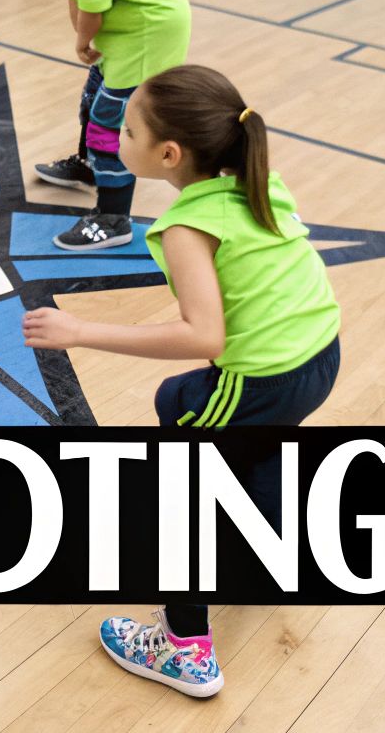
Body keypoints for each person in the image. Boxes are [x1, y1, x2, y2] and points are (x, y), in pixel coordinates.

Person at [23, 63, 341, 697]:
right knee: (186, 404)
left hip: (263, 378)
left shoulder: (186, 229)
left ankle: (185, 647)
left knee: (181, 493)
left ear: (167, 154)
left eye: (127, 127)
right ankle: (271, 545)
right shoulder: (257, 184)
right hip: (319, 356)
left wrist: (81, 331)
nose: (114, 133)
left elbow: (204, 337)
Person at [22, 0, 191, 250]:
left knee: (110, 122)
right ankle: (88, 166)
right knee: (93, 100)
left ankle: (114, 218)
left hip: (146, 37)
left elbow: (90, 12)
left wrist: (84, 42)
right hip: (126, 32)